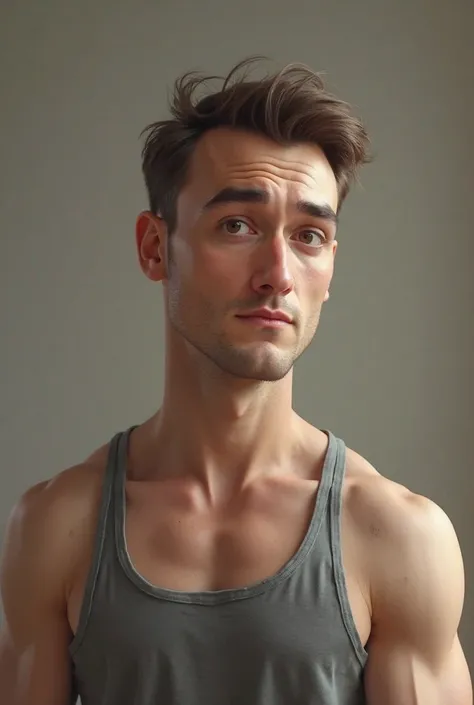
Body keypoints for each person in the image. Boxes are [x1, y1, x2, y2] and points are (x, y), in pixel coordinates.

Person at [0, 57, 471, 705]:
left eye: (309, 235)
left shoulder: (397, 537)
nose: (278, 272)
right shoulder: (57, 525)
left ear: (330, 267)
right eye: (237, 225)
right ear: (155, 248)